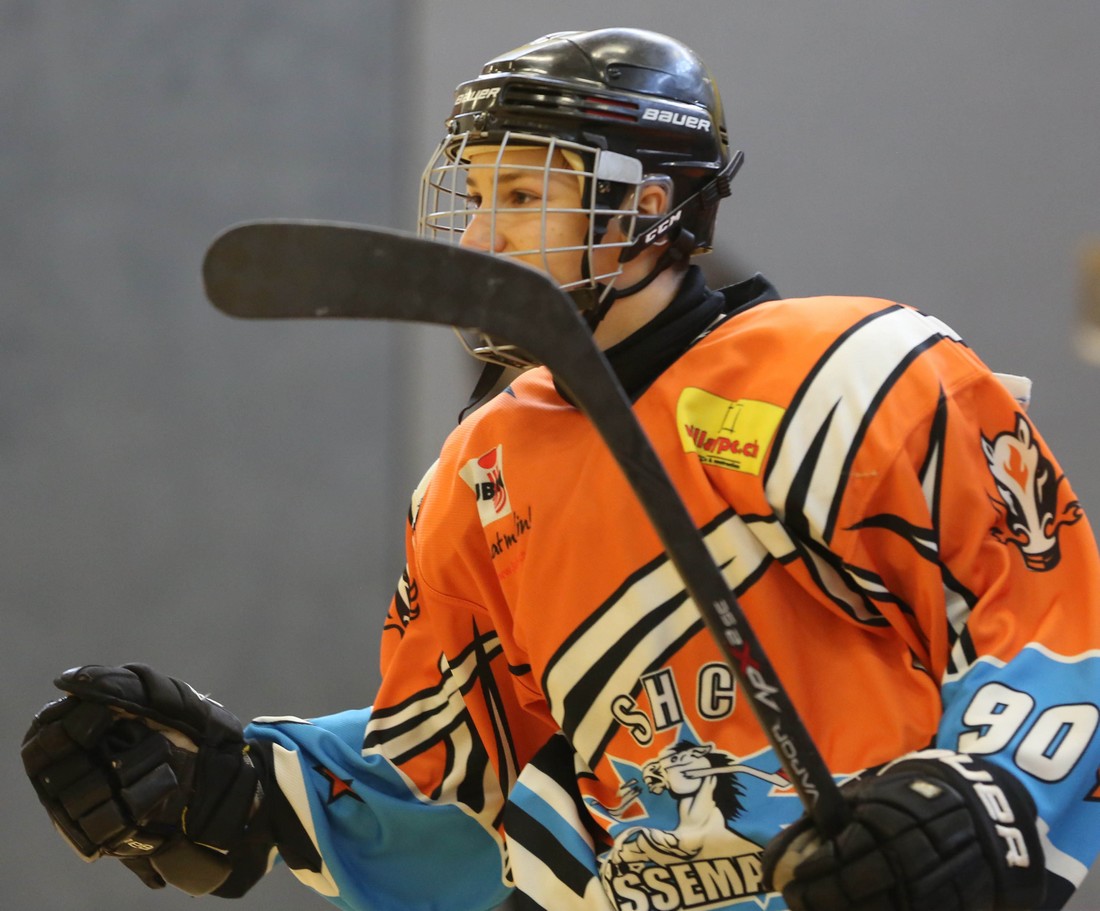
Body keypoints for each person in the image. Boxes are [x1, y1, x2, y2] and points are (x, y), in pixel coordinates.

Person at [21, 27, 1100, 911]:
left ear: (647, 208)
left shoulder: (858, 376)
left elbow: (1052, 625)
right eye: (474, 194)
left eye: (523, 196)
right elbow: (469, 779)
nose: (480, 237)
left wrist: (974, 806)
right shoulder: (477, 471)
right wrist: (250, 787)